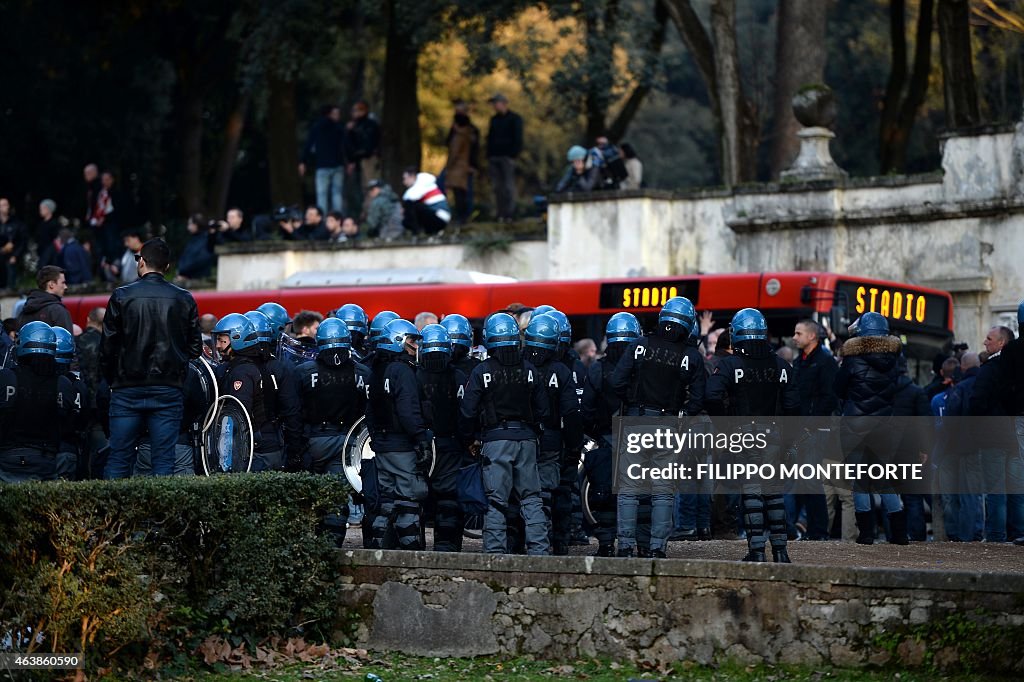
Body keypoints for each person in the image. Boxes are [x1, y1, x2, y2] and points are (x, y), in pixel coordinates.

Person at [611, 297, 706, 558]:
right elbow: (699, 398)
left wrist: (632, 403)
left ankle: (626, 546)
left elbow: (617, 381)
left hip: (636, 421)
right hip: (668, 424)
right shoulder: (691, 356)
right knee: (663, 491)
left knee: (629, 489)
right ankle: (657, 548)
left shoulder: (639, 345)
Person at [100, 238, 202, 478]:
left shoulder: (122, 296)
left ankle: (112, 515)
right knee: (164, 461)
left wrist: (113, 378)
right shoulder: (184, 298)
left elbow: (107, 348)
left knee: (119, 458)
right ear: (167, 267)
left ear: (142, 262)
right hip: (168, 387)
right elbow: (195, 348)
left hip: (126, 387)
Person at [706, 308, 801, 562]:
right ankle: (781, 551)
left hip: (742, 432)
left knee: (751, 492)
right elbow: (793, 406)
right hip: (774, 432)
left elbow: (711, 396)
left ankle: (757, 550)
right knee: (773, 491)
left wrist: (725, 427)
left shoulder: (729, 364)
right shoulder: (782, 365)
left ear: (737, 333)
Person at [460, 312, 551, 555]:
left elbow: (468, 411)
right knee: (532, 498)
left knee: (496, 500)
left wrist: (471, 439)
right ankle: (540, 551)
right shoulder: (530, 370)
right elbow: (544, 409)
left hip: (496, 440)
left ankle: (495, 552)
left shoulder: (482, 371)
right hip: (527, 439)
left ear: (489, 338)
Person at [833, 312, 907, 546]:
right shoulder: (895, 360)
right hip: (884, 426)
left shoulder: (852, 360)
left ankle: (866, 534)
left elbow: (838, 388)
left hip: (855, 426)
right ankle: (899, 535)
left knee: (859, 481)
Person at [294, 318, 370, 545]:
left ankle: (313, 544)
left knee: (309, 495)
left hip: (313, 440)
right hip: (346, 441)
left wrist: (298, 446)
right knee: (336, 496)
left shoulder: (302, 372)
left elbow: (294, 413)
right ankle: (332, 545)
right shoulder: (363, 372)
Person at [365, 318, 430, 550]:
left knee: (388, 501)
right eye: (412, 341)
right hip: (402, 445)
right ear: (398, 341)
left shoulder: (376, 370)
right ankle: (410, 553)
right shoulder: (403, 371)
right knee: (408, 500)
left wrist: (377, 438)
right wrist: (420, 438)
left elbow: (369, 411)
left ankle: (377, 548)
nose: (416, 346)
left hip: (383, 445)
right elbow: (408, 410)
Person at [581, 312, 642, 556]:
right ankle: (643, 546)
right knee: (640, 494)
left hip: (607, 437)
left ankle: (606, 543)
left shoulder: (598, 369)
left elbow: (587, 407)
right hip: (638, 437)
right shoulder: (641, 367)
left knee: (603, 493)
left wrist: (593, 431)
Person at [523, 313, 583, 554]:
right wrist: (574, 446)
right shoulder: (561, 370)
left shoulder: (518, 366)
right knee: (549, 493)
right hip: (551, 439)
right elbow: (571, 413)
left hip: (524, 438)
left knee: (522, 494)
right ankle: (550, 544)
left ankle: (519, 543)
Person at [214, 313, 304, 472]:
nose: (218, 346)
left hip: (256, 450)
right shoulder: (269, 365)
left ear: (237, 338)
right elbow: (291, 411)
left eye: (222, 340)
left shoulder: (241, 371)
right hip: (272, 443)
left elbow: (238, 417)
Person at [0, 322, 77, 482]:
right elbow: (70, 424)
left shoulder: (6, 377)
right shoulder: (62, 383)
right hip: (46, 460)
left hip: (7, 458)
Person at [416, 323, 470, 551]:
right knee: (448, 498)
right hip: (450, 444)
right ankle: (446, 545)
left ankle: (414, 544)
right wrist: (467, 440)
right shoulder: (457, 376)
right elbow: (466, 412)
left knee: (415, 498)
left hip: (421, 444)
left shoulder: (414, 375)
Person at [967, 325, 1020, 543]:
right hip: (1015, 436)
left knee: (996, 491)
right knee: (1017, 490)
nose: (985, 342)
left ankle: (997, 537)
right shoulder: (1016, 368)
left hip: (992, 437)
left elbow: (976, 402)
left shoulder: (989, 369)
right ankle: (1019, 533)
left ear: (1002, 343)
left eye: (989, 338)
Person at [789, 319, 838, 541]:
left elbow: (829, 397)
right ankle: (813, 529)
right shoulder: (801, 362)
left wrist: (812, 423)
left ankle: (818, 530)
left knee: (810, 479)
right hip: (803, 428)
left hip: (816, 429)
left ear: (812, 336)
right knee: (804, 479)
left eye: (798, 333)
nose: (794, 337)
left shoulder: (825, 362)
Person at [52, 325, 88, 480]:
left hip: (46, 450)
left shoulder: (31, 382)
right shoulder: (76, 383)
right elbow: (83, 419)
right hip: (69, 448)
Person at [300, 104, 346, 214]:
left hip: (322, 166)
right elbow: (346, 146)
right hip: (337, 164)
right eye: (336, 113)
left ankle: (323, 220)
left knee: (322, 195)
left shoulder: (317, 127)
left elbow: (308, 145)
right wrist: (350, 161)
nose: (338, 116)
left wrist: (303, 161)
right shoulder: (339, 128)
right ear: (329, 114)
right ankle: (337, 219)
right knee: (337, 193)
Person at [486, 94, 523, 222]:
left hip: (507, 157)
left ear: (503, 103)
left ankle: (510, 213)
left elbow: (518, 138)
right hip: (494, 157)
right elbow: (490, 138)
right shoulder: (494, 120)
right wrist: (489, 155)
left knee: (508, 186)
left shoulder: (515, 119)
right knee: (497, 187)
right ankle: (500, 213)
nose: (495, 106)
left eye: (497, 103)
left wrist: (512, 154)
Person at [444, 101, 480, 224]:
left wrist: (473, 165)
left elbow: (474, 150)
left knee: (464, 194)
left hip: (463, 166)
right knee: (459, 193)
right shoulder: (456, 131)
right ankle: (461, 217)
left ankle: (465, 217)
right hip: (458, 167)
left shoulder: (469, 132)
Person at [344, 101, 381, 217]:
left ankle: (370, 212)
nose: (354, 113)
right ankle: (366, 211)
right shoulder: (355, 126)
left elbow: (369, 144)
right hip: (359, 160)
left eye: (356, 110)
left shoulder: (369, 125)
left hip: (368, 158)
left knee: (371, 185)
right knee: (363, 187)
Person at [17, 266, 72, 332]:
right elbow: (66, 340)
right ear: (51, 284)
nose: (65, 287)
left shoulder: (24, 310)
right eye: (63, 283)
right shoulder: (58, 311)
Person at [402, 168, 451, 236]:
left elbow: (409, 199)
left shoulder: (421, 185)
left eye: (405, 179)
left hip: (439, 218)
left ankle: (416, 233)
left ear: (412, 177)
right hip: (438, 217)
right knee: (406, 219)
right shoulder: (425, 184)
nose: (404, 182)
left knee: (411, 206)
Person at [177, 214, 217, 281]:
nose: (188, 227)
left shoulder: (206, 239)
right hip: (188, 278)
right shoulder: (193, 239)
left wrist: (184, 273)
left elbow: (202, 259)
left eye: (190, 224)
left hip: (198, 279)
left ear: (196, 225)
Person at [0, 197, 27, 290]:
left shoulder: (16, 223)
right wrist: (3, 249)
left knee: (10, 281)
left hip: (11, 258)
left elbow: (22, 241)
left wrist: (15, 255)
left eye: (7, 204)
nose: (6, 207)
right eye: (3, 205)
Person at [36, 199, 62, 265]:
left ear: (48, 209)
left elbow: (57, 241)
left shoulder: (55, 224)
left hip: (51, 256)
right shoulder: (41, 224)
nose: (40, 210)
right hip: (42, 254)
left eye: (42, 208)